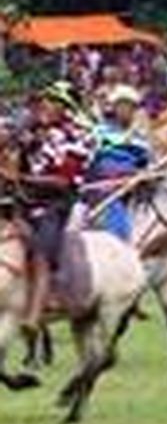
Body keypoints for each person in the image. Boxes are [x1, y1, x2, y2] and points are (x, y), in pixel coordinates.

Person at [7, 85, 91, 327]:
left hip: (55, 204)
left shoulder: (76, 137)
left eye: (53, 101)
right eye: (44, 100)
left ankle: (36, 311)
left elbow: (63, 182)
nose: (45, 105)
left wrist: (20, 178)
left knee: (41, 251)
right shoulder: (32, 133)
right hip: (23, 200)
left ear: (66, 109)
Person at [86, 84, 153, 241]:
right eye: (121, 105)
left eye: (130, 106)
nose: (125, 110)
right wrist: (120, 177)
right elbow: (94, 162)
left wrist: (144, 174)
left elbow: (147, 163)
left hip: (135, 188)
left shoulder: (140, 137)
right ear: (114, 108)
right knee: (116, 220)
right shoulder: (100, 131)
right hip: (106, 188)